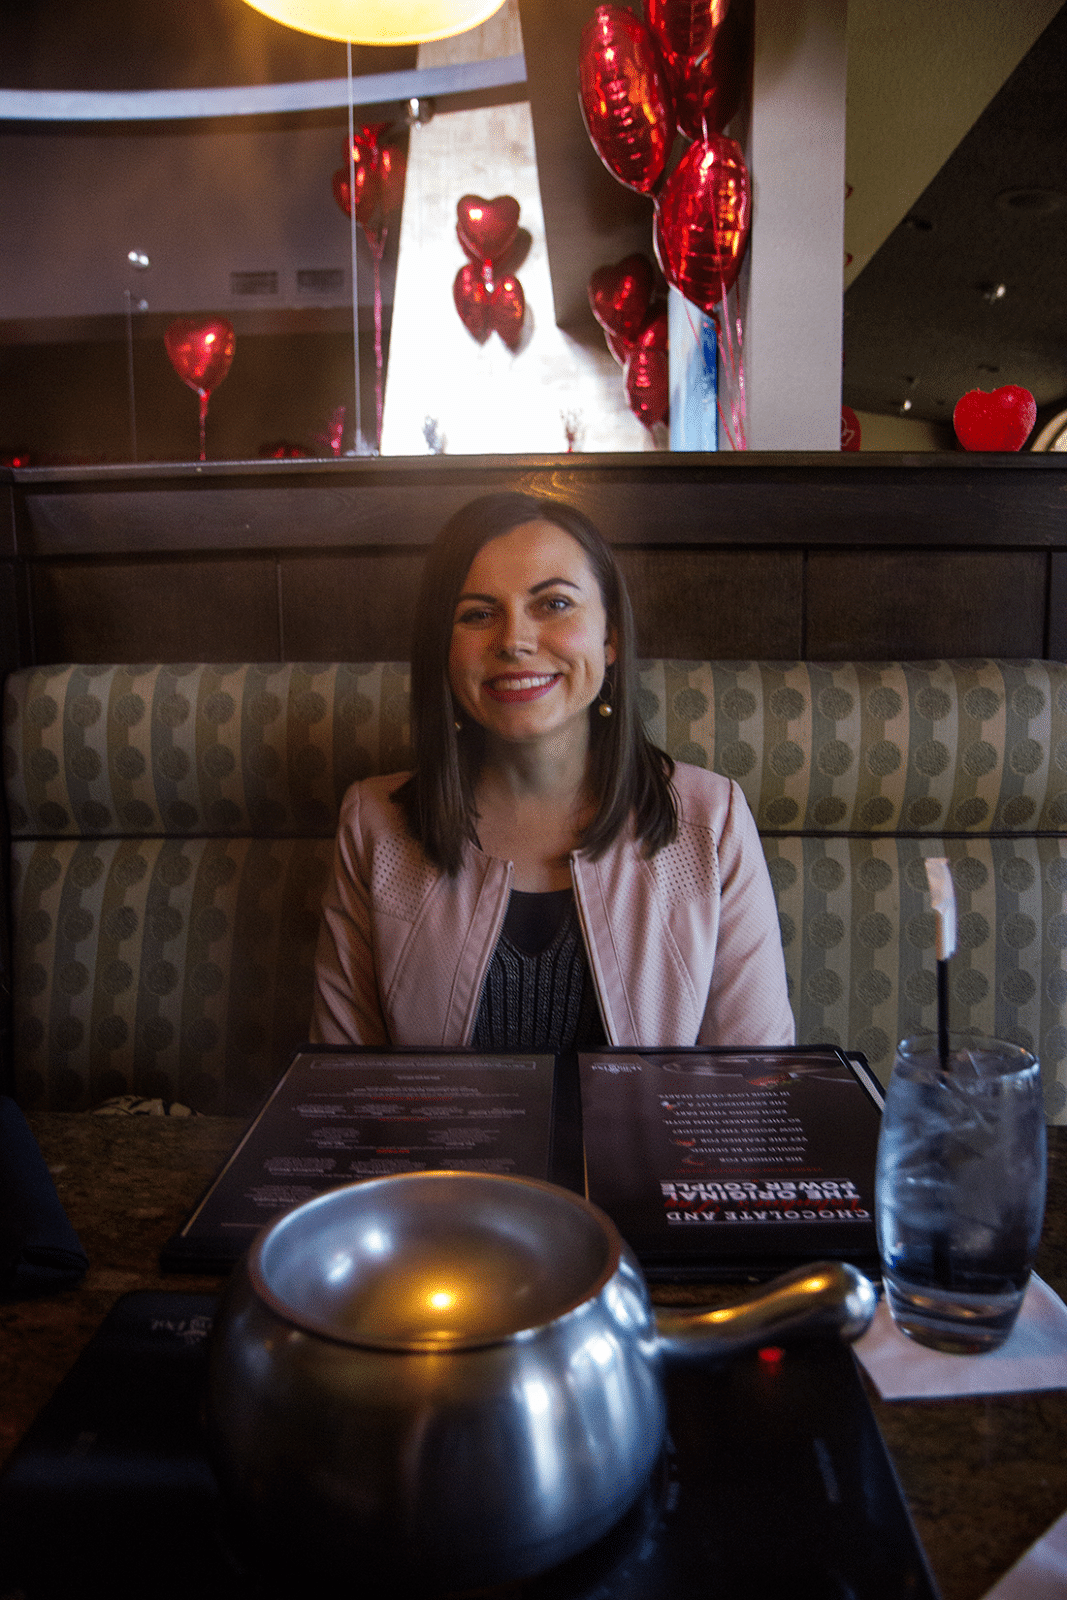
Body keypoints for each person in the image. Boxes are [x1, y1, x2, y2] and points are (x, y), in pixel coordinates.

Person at [311, 491, 794, 1052]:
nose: (513, 641)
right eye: (478, 614)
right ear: (442, 649)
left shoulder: (713, 822)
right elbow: (344, 1089)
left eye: (555, 604)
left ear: (609, 637)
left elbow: (753, 1089)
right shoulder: (372, 823)